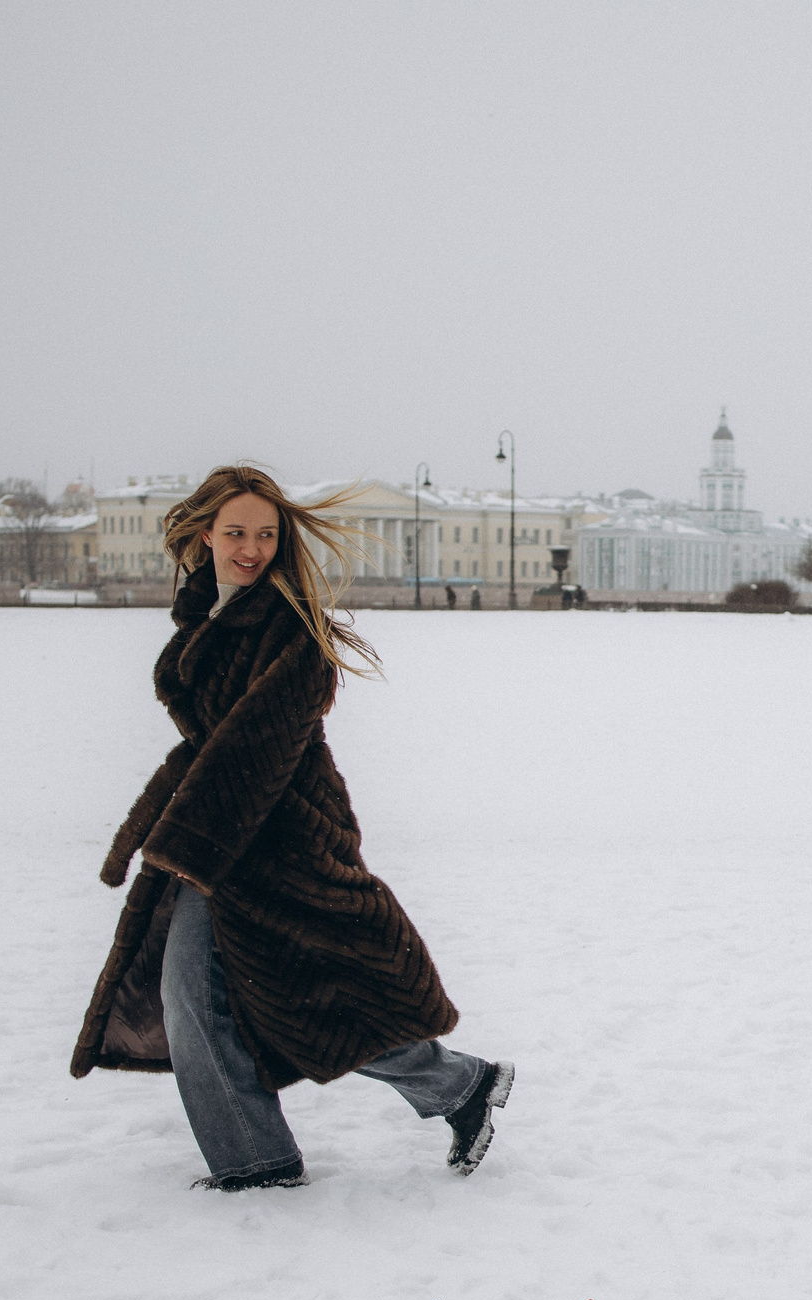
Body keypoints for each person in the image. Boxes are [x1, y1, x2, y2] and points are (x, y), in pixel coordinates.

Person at [70, 465, 511, 1189]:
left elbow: (256, 748)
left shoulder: (290, 627)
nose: (251, 547)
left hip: (279, 837)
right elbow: (212, 745)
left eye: (266, 534)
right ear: (205, 533)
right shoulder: (208, 615)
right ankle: (258, 1155)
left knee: (315, 993)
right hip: (224, 834)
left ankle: (454, 1088)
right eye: (237, 532)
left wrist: (184, 845)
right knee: (200, 1000)